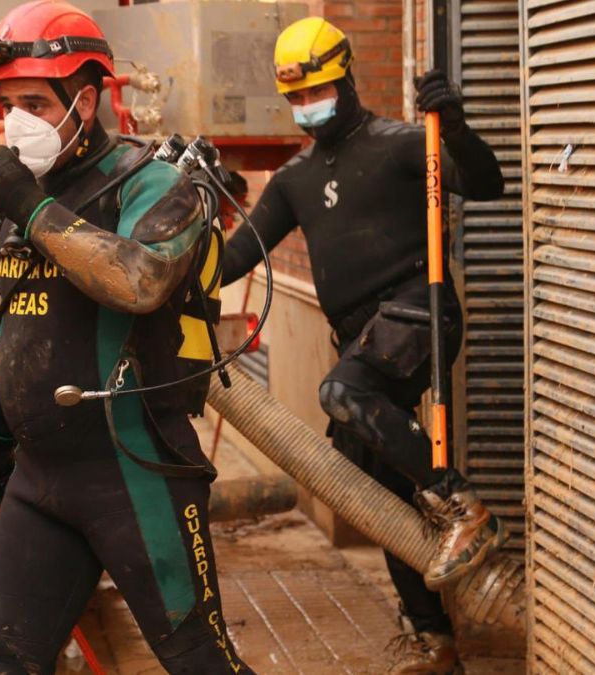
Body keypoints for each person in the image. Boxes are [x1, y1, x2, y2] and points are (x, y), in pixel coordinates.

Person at [0, 2, 253, 672]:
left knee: (199, 662)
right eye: (8, 103)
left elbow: (139, 281)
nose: (17, 122)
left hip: (137, 474)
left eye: (35, 101)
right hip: (40, 483)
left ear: (86, 98)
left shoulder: (153, 183)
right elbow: (20, 321)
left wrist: (31, 209)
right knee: (2, 662)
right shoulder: (30, 191)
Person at [220, 16, 507, 674]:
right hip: (363, 336)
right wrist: (178, 250)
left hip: (418, 308)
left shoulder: (403, 141)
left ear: (345, 79)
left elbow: (487, 184)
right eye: (293, 98)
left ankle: (463, 504)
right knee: (369, 485)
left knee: (343, 391)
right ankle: (434, 638)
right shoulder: (294, 178)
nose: (304, 108)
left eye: (314, 91)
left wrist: (454, 125)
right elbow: (235, 257)